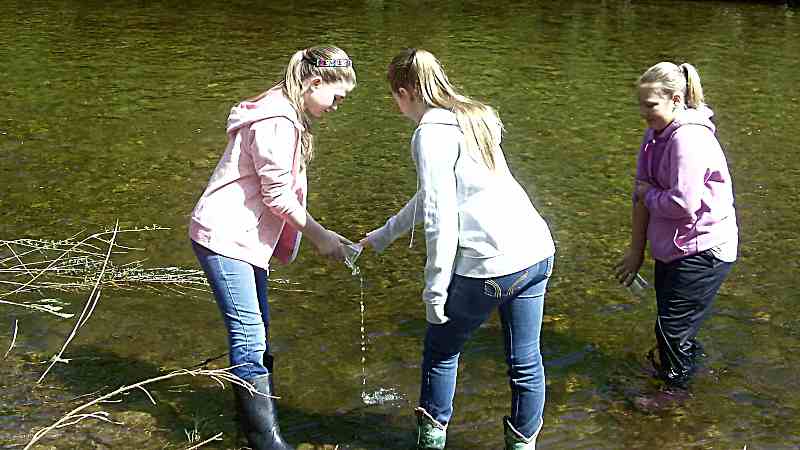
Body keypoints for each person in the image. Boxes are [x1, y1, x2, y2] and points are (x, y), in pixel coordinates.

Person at [360, 48, 555, 450]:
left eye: (395, 99)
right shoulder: (474, 116)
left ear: (404, 92)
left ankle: (431, 443)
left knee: (441, 351)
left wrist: (435, 288)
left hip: (491, 265)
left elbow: (439, 214)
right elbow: (435, 195)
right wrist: (384, 235)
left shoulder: (430, 133)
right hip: (536, 253)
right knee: (524, 362)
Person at [189, 46, 356, 450]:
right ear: (315, 83)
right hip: (225, 236)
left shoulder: (286, 110)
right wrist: (322, 237)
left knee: (258, 336)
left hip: (244, 238)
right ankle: (265, 442)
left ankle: (250, 432)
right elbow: (278, 196)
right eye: (337, 97)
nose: (337, 106)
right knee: (250, 339)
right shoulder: (276, 121)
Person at [615, 62, 738, 394]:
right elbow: (639, 192)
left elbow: (682, 204)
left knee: (671, 329)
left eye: (650, 105)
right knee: (672, 326)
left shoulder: (689, 139)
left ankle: (674, 397)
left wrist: (648, 194)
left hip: (705, 247)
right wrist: (636, 251)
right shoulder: (655, 134)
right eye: (640, 105)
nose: (643, 113)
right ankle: (684, 370)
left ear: (675, 99)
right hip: (675, 245)